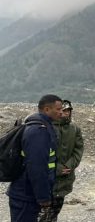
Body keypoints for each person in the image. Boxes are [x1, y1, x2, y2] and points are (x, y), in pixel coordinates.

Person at [7, 94, 62, 222]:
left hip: (27, 194)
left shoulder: (41, 126)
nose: (61, 112)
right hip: (25, 195)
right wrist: (43, 198)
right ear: (47, 109)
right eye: (58, 109)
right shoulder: (38, 131)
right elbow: (37, 167)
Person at [39, 99, 84, 222]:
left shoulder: (74, 129)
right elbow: (41, 153)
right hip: (47, 180)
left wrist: (70, 165)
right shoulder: (46, 128)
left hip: (65, 180)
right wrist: (57, 168)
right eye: (64, 110)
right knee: (42, 215)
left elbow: (78, 149)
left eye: (69, 110)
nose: (66, 113)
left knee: (54, 214)